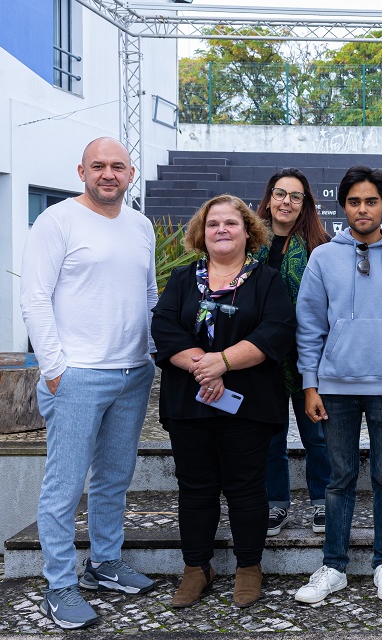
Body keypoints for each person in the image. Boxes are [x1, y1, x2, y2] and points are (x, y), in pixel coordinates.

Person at [20, 137, 158, 629]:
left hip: (133, 372)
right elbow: (35, 299)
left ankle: (104, 564)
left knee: (114, 479)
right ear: (81, 171)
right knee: (63, 487)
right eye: (98, 166)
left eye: (117, 167)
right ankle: (59, 586)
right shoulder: (57, 221)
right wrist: (55, 369)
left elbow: (148, 294)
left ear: (131, 173)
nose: (108, 174)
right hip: (76, 376)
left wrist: (151, 355)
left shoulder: (140, 226)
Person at [293, 166, 382, 605]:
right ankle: (333, 566)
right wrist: (311, 384)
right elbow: (310, 326)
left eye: (371, 201)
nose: (362, 209)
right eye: (354, 201)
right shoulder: (323, 258)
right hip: (335, 386)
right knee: (339, 478)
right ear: (344, 207)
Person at [151, 195, 296, 609]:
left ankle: (249, 567)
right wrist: (205, 367)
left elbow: (278, 331)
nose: (221, 230)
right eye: (213, 223)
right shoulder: (182, 278)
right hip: (190, 402)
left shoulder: (266, 280)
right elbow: (163, 327)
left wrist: (224, 363)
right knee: (194, 489)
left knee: (246, 488)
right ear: (202, 231)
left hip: (246, 404)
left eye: (231, 223)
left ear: (248, 231)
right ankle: (198, 568)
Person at [254, 168, 332, 538]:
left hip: (307, 355)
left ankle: (323, 501)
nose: (286, 202)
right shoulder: (248, 242)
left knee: (316, 434)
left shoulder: (320, 246)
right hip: (260, 355)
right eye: (280, 194)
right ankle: (276, 505)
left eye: (295, 196)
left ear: (305, 204)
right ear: (269, 198)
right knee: (271, 434)